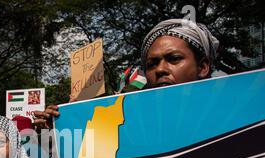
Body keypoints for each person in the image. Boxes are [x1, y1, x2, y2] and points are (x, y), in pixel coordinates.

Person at [33, 18, 219, 128]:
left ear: (203, 67)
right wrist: (64, 128)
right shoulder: (128, 125)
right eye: (152, 64)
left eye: (174, 58)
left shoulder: (236, 121)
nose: (160, 69)